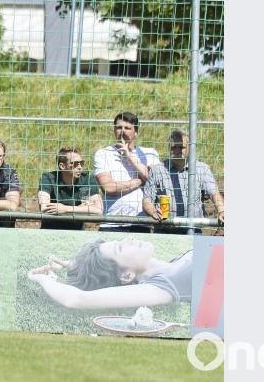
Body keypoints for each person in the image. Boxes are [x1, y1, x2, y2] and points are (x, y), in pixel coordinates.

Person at [27, 236, 192, 309]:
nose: (129, 239)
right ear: (126, 275)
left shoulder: (175, 263)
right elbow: (77, 299)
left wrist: (70, 265)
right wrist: (43, 280)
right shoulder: (159, 287)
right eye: (120, 248)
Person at [142, 129, 225, 233]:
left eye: (181, 147)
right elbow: (147, 200)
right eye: (173, 147)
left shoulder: (202, 169)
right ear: (168, 148)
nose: (177, 150)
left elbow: (214, 193)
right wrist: (153, 211)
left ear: (190, 148)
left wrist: (222, 210)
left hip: (193, 230)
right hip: (164, 230)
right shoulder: (157, 170)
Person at [93, 112, 160, 233]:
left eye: (127, 128)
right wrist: (140, 181)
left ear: (136, 132)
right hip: (112, 222)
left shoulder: (149, 153)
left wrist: (128, 156)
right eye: (119, 127)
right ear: (114, 130)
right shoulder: (103, 154)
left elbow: (154, 180)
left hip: (141, 222)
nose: (122, 131)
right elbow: (109, 187)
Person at [37, 147, 103, 230]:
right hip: (50, 230)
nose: (80, 167)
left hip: (77, 232)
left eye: (81, 163)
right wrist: (80, 208)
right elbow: (44, 208)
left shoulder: (87, 179)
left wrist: (65, 209)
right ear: (62, 166)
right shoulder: (48, 178)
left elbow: (98, 210)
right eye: (75, 164)